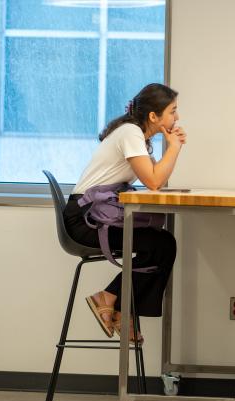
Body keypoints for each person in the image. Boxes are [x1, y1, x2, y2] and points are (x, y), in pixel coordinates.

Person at [63, 83, 185, 343]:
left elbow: (157, 179)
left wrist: (172, 146)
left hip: (96, 216)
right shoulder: (130, 132)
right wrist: (174, 148)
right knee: (161, 245)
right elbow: (154, 181)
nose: (177, 117)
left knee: (162, 243)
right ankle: (115, 304)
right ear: (154, 116)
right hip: (84, 221)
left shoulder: (136, 135)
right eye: (173, 111)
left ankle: (115, 304)